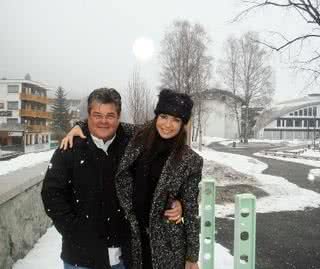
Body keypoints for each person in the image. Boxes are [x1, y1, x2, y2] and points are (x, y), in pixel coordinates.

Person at [41, 88, 182, 269]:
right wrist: (75, 232)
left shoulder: (134, 144)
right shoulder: (69, 148)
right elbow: (51, 195)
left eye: (110, 115)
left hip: (126, 257)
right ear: (89, 116)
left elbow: (159, 169)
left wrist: (177, 201)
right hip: (81, 258)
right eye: (97, 115)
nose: (103, 121)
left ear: (119, 116)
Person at [116, 89, 203, 269]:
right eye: (164, 116)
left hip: (168, 246)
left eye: (176, 120)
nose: (168, 124)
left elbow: (192, 210)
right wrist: (80, 126)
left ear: (182, 124)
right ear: (157, 116)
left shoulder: (190, 160)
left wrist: (192, 257)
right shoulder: (137, 137)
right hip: (135, 241)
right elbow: (106, 125)